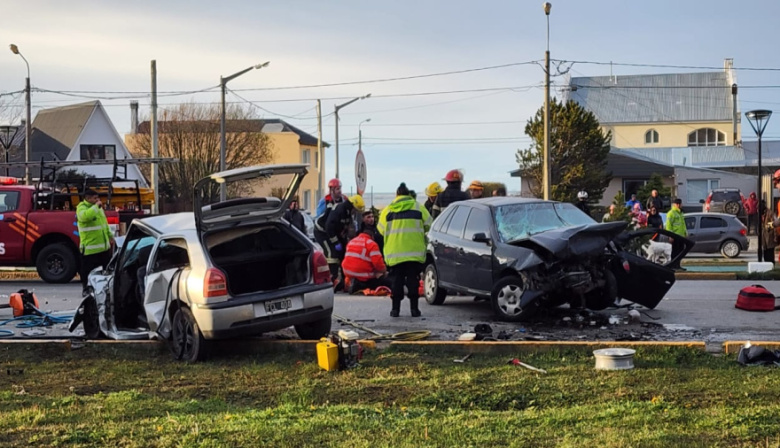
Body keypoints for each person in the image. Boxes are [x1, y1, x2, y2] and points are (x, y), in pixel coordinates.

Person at [378, 182, 431, 317]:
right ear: (408, 194)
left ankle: (395, 310)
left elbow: (380, 230)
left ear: (397, 195)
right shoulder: (419, 208)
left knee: (396, 281)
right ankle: (414, 309)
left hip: (395, 254)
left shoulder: (388, 210)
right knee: (413, 280)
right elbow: (429, 226)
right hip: (414, 253)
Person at [77, 189, 115, 295]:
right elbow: (85, 217)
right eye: (95, 198)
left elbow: (104, 223)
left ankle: (104, 289)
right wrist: (96, 207)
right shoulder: (81, 208)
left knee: (106, 271)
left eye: (97, 198)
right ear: (88, 198)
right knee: (87, 272)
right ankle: (87, 289)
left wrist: (110, 236)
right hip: (90, 248)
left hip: (103, 248)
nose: (97, 200)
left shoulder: (98, 209)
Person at [341, 225, 390, 294]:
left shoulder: (352, 241)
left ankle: (350, 283)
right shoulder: (371, 244)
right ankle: (359, 285)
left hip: (348, 273)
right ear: (372, 235)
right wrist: (384, 272)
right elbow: (379, 265)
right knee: (385, 280)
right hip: (362, 275)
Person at [665, 198, 688, 271]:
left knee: (680, 252)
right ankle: (673, 266)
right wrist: (670, 236)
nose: (682, 205)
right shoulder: (671, 213)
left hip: (681, 236)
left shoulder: (680, 213)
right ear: (677, 204)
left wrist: (685, 233)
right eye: (681, 204)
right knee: (675, 251)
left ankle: (678, 265)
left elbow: (683, 224)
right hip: (675, 236)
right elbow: (668, 226)